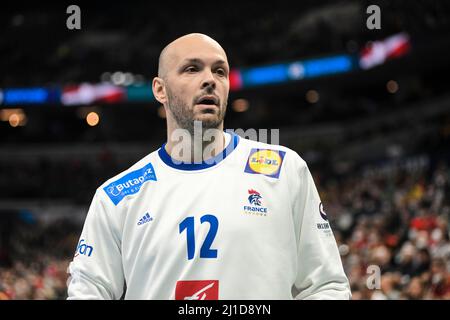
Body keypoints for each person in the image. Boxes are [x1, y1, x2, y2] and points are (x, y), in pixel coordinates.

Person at [67, 33, 351, 300]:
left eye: (219, 71)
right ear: (160, 89)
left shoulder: (285, 170)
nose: (210, 80)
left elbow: (327, 285)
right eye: (192, 69)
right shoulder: (117, 196)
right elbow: (88, 292)